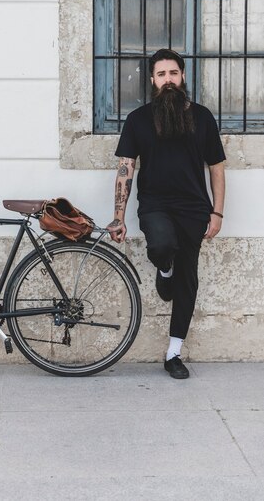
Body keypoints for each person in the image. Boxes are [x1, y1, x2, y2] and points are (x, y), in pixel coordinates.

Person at [108, 48, 225, 379]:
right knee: (160, 244)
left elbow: (216, 167)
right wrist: (118, 216)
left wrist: (217, 212)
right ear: (153, 80)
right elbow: (125, 167)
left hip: (194, 207)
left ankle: (174, 352)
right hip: (155, 204)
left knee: (189, 280)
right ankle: (164, 267)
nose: (168, 80)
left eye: (173, 73)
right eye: (162, 75)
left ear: (183, 77)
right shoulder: (138, 119)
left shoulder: (202, 117)